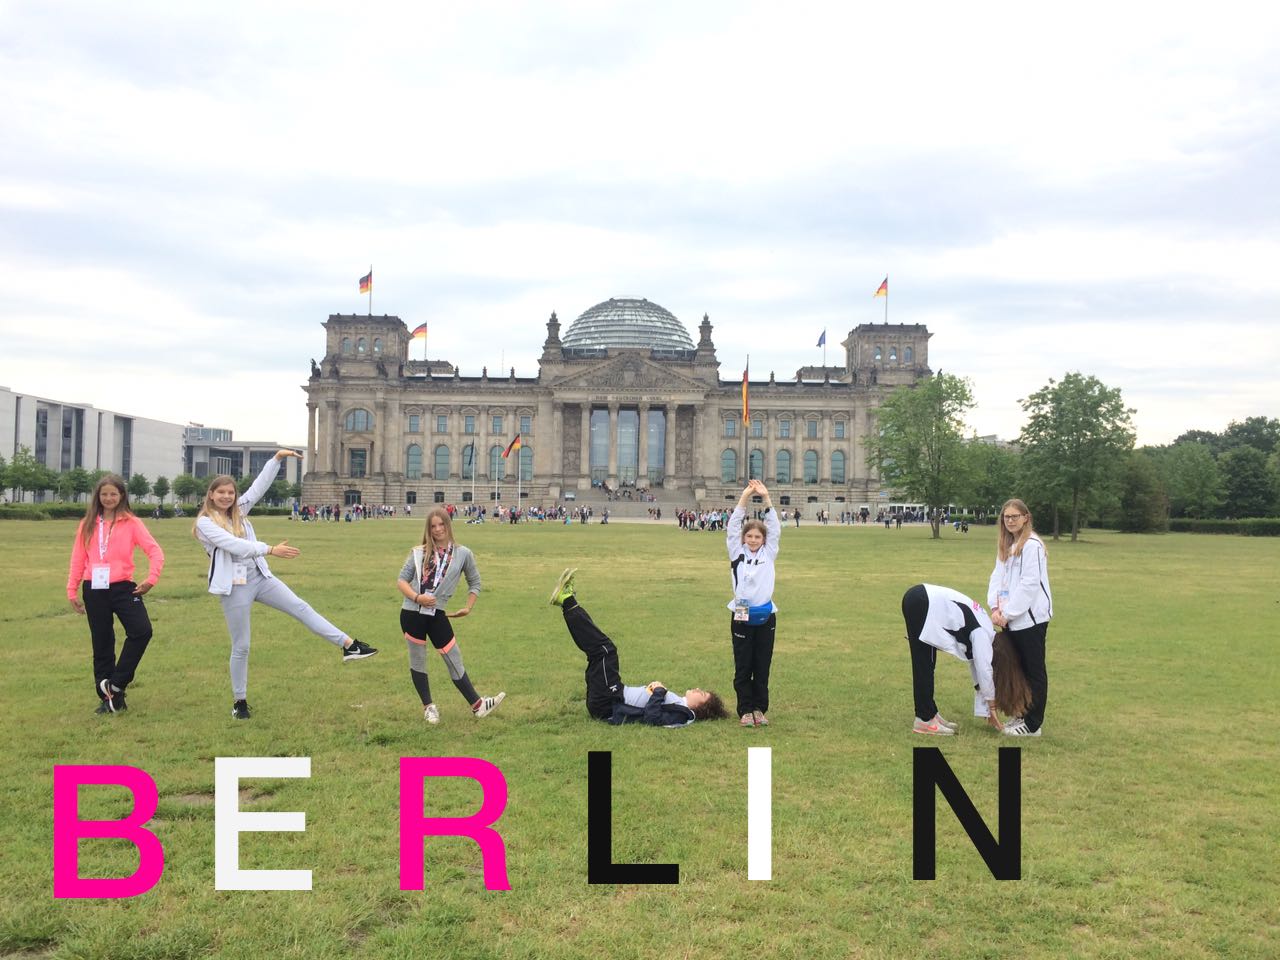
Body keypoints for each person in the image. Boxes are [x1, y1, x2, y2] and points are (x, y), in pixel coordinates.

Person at [194, 450, 378, 720]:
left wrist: (276, 460)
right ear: (211, 495)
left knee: (300, 607)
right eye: (220, 492)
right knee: (242, 645)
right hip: (234, 586)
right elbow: (233, 545)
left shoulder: (239, 512)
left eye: (230, 493)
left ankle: (349, 645)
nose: (226, 497)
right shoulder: (204, 523)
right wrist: (269, 549)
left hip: (259, 577)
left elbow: (258, 488)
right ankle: (240, 701)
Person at [549, 569, 727, 726]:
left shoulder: (684, 714)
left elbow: (652, 717)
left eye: (702, 694)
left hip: (608, 702)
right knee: (599, 651)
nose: (697, 689)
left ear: (701, 707)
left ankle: (567, 600)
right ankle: (567, 601)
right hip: (611, 696)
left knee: (605, 650)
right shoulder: (680, 705)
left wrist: (658, 691)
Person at [396, 507, 505, 723]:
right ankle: (429, 707)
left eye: (441, 524)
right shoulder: (420, 552)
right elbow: (401, 580)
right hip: (412, 613)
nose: (438, 530)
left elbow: (475, 582)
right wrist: (417, 598)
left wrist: (468, 606)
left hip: (437, 613)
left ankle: (478, 705)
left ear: (449, 524)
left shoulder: (463, 553)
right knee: (418, 660)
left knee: (452, 656)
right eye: (433, 526)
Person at [66, 474, 165, 714]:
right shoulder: (87, 524)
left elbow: (155, 551)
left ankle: (117, 684)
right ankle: (109, 700)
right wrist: (72, 589)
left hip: (123, 587)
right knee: (102, 642)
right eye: (104, 494)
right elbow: (78, 558)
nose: (109, 498)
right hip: (94, 589)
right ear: (97, 497)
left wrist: (151, 579)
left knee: (142, 631)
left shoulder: (132, 523)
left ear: (121, 496)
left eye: (113, 494)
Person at [901, 583, 1016, 735]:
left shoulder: (986, 628)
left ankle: (930, 712)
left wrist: (986, 707)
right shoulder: (983, 635)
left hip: (920, 598)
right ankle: (924, 719)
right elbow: (983, 668)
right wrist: (992, 707)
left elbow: (975, 664)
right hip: (922, 603)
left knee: (927, 663)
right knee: (924, 664)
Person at [988, 498, 1053, 737]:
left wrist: (1008, 613)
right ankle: (1021, 712)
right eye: (1006, 517)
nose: (1011, 521)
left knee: (1033, 670)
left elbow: (1029, 585)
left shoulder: (1032, 545)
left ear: (1026, 517)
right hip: (1009, 619)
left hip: (1030, 619)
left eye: (1015, 516)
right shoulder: (1008, 544)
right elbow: (998, 577)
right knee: (1017, 669)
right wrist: (995, 607)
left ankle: (1033, 723)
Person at [726, 479, 781, 727]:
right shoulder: (737, 553)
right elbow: (733, 525)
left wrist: (766, 498)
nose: (753, 540)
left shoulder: (768, 553)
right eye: (749, 536)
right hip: (741, 612)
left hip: (766, 614)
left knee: (762, 665)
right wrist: (744, 498)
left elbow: (775, 528)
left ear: (764, 539)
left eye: (758, 536)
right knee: (743, 664)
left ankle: (759, 709)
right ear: (744, 538)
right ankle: (745, 710)